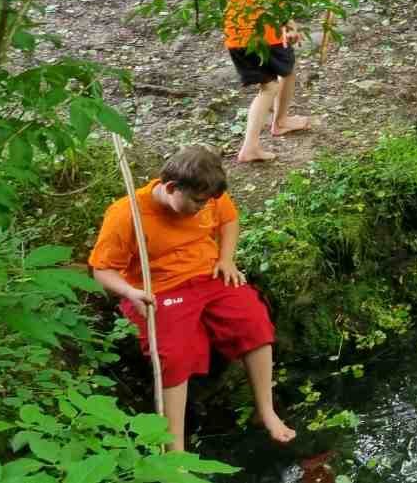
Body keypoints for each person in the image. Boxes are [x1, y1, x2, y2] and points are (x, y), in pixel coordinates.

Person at [88, 146, 294, 452]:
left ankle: (266, 411)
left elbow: (229, 221)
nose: (203, 207)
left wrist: (226, 258)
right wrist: (131, 293)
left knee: (253, 320)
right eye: (197, 201)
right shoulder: (127, 214)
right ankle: (176, 451)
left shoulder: (208, 193)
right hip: (157, 289)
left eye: (207, 201)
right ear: (172, 187)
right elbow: (101, 270)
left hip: (207, 275)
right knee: (175, 354)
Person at [224, 0, 315, 164]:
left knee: (286, 69)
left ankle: (281, 121)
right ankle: (251, 146)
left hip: (236, 29)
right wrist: (287, 22)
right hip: (260, 31)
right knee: (270, 86)